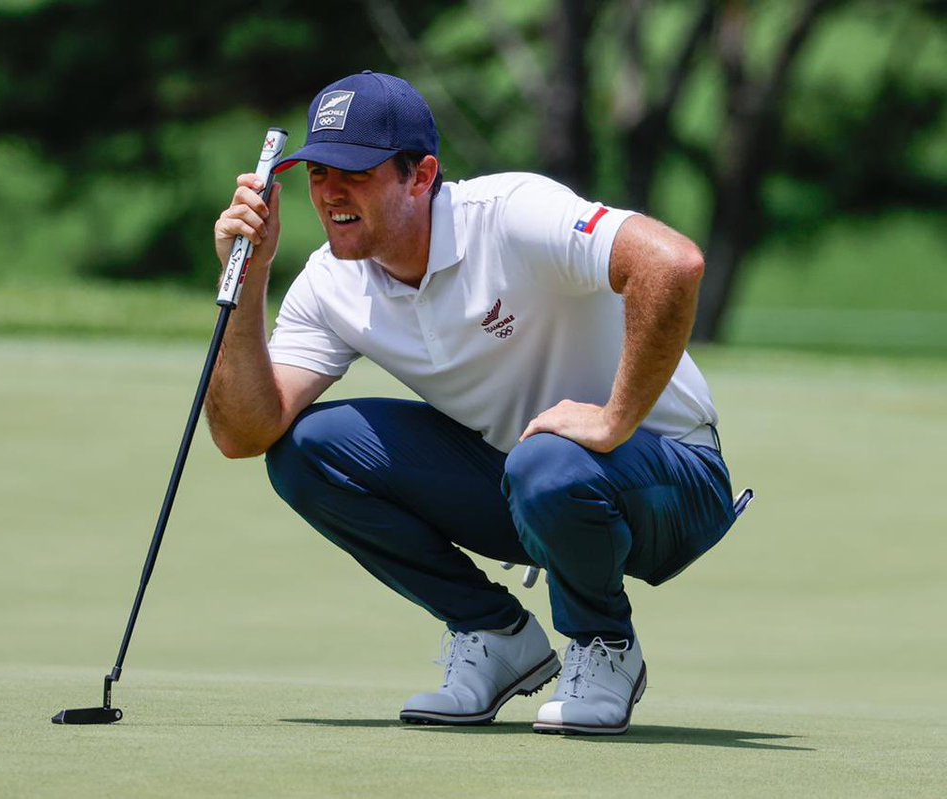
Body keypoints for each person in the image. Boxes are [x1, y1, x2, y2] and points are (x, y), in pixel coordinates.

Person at [207, 71, 738, 735]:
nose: (331, 193)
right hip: (532, 481)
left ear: (421, 176)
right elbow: (244, 431)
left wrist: (612, 420)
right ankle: (495, 634)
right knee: (306, 449)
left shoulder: (510, 213)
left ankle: (605, 645)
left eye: (356, 173)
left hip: (672, 479)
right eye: (317, 172)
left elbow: (673, 263)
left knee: (547, 463)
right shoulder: (328, 283)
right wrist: (247, 277)